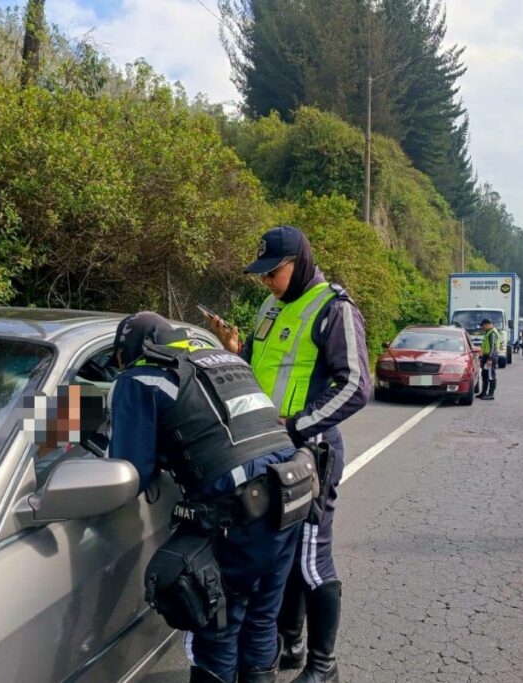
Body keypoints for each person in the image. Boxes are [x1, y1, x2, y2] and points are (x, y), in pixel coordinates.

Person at [206, 225, 370, 683]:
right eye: (262, 275)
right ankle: (292, 642)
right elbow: (258, 364)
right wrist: (233, 350)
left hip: (309, 455)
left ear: (299, 262)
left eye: (272, 273)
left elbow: (357, 386)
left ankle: (323, 665)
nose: (265, 282)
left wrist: (296, 424)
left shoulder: (333, 309)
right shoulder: (271, 306)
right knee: (285, 552)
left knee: (312, 561)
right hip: (268, 454)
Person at [107, 312, 306, 683]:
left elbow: (130, 470)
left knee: (219, 625)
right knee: (261, 615)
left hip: (240, 506)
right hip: (291, 488)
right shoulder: (222, 358)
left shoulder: (138, 378)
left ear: (127, 351)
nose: (119, 367)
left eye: (118, 360)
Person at [477, 318, 499, 400]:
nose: (482, 327)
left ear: (487, 324)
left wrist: (490, 358)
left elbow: (493, 347)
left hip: (491, 357)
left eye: (483, 325)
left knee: (491, 375)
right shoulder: (488, 332)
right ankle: (483, 393)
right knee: (485, 375)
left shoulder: (492, 333)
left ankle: (491, 394)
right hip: (486, 356)